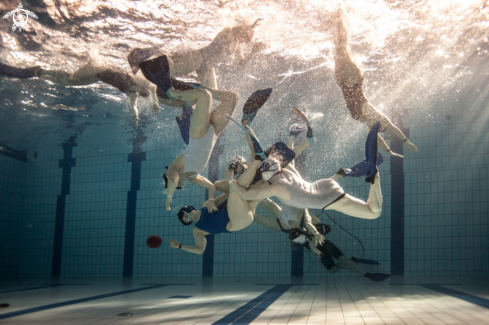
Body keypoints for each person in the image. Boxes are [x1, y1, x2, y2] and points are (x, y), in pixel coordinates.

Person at [331, 14, 418, 158]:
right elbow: (391, 126)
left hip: (343, 83)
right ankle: (340, 17)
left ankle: (334, 23)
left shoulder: (365, 121)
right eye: (377, 128)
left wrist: (389, 152)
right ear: (378, 123)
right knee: (341, 49)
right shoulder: (372, 115)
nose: (374, 131)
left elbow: (378, 139)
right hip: (353, 80)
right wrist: (405, 141)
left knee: (337, 50)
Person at [0, 61, 159, 127]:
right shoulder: (137, 80)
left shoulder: (133, 95)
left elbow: (134, 108)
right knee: (72, 78)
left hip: (96, 77)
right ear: (142, 87)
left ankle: (39, 73)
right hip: (97, 68)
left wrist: (135, 118)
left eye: (138, 93)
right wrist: (155, 104)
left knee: (70, 83)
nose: (137, 92)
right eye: (139, 90)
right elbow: (153, 88)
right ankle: (41, 70)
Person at [253, 207, 391, 281]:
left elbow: (311, 241)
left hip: (325, 246)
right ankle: (352, 261)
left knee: (341, 260)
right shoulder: (299, 231)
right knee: (333, 270)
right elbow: (303, 241)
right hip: (322, 246)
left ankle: (365, 273)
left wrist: (313, 249)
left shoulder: (307, 228)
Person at [168, 157, 267, 254]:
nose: (187, 217)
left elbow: (225, 195)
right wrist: (180, 246)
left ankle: (266, 169)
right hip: (237, 222)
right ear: (186, 222)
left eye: (186, 213)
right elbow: (200, 250)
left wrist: (212, 200)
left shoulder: (205, 205)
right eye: (185, 219)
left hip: (243, 211)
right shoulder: (197, 230)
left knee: (263, 183)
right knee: (234, 188)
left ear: (191, 208)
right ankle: (256, 162)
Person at [128, 19, 265, 89]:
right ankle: (153, 50)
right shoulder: (228, 31)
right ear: (243, 30)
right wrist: (251, 26)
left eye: (248, 39)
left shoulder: (238, 46)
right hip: (199, 57)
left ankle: (192, 108)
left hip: (207, 66)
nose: (248, 40)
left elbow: (241, 63)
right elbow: (234, 29)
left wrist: (253, 52)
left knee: (211, 91)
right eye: (247, 36)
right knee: (174, 70)